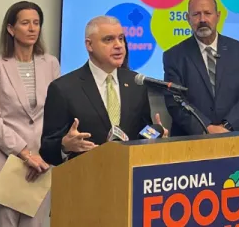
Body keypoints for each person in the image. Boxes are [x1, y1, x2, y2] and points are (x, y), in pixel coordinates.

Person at [40, 15, 164, 165]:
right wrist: (65, 146)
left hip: (129, 176)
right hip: (86, 179)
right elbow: (47, 149)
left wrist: (156, 134)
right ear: (89, 45)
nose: (119, 45)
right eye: (108, 39)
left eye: (121, 38)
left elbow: (141, 134)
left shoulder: (136, 82)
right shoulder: (63, 89)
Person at [0, 1, 60, 226]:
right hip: (5, 164)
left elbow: (57, 114)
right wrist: (26, 154)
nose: (33, 28)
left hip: (42, 164)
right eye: (25, 23)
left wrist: (42, 156)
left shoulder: (50, 63)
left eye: (36, 23)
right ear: (11, 29)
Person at [162, 0, 239, 136]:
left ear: (218, 16)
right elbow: (175, 101)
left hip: (237, 139)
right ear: (188, 18)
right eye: (196, 14)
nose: (202, 19)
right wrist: (206, 128)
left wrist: (227, 126)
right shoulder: (174, 56)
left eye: (207, 13)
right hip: (193, 142)